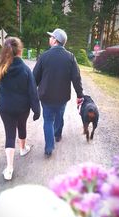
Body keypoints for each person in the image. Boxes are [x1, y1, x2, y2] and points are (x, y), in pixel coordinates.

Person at [0, 37, 40, 180]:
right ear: (20, 51)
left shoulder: (1, 68)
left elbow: (0, 88)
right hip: (22, 108)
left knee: (9, 135)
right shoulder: (26, 70)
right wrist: (36, 110)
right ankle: (22, 149)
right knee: (22, 126)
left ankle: (9, 169)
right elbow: (33, 92)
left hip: (5, 108)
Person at [33, 28, 84, 157]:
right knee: (59, 115)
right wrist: (80, 95)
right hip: (62, 97)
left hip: (46, 96)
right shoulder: (70, 57)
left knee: (48, 120)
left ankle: (49, 147)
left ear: (55, 40)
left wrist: (32, 93)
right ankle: (57, 134)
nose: (49, 39)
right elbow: (76, 78)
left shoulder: (44, 56)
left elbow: (34, 78)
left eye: (51, 37)